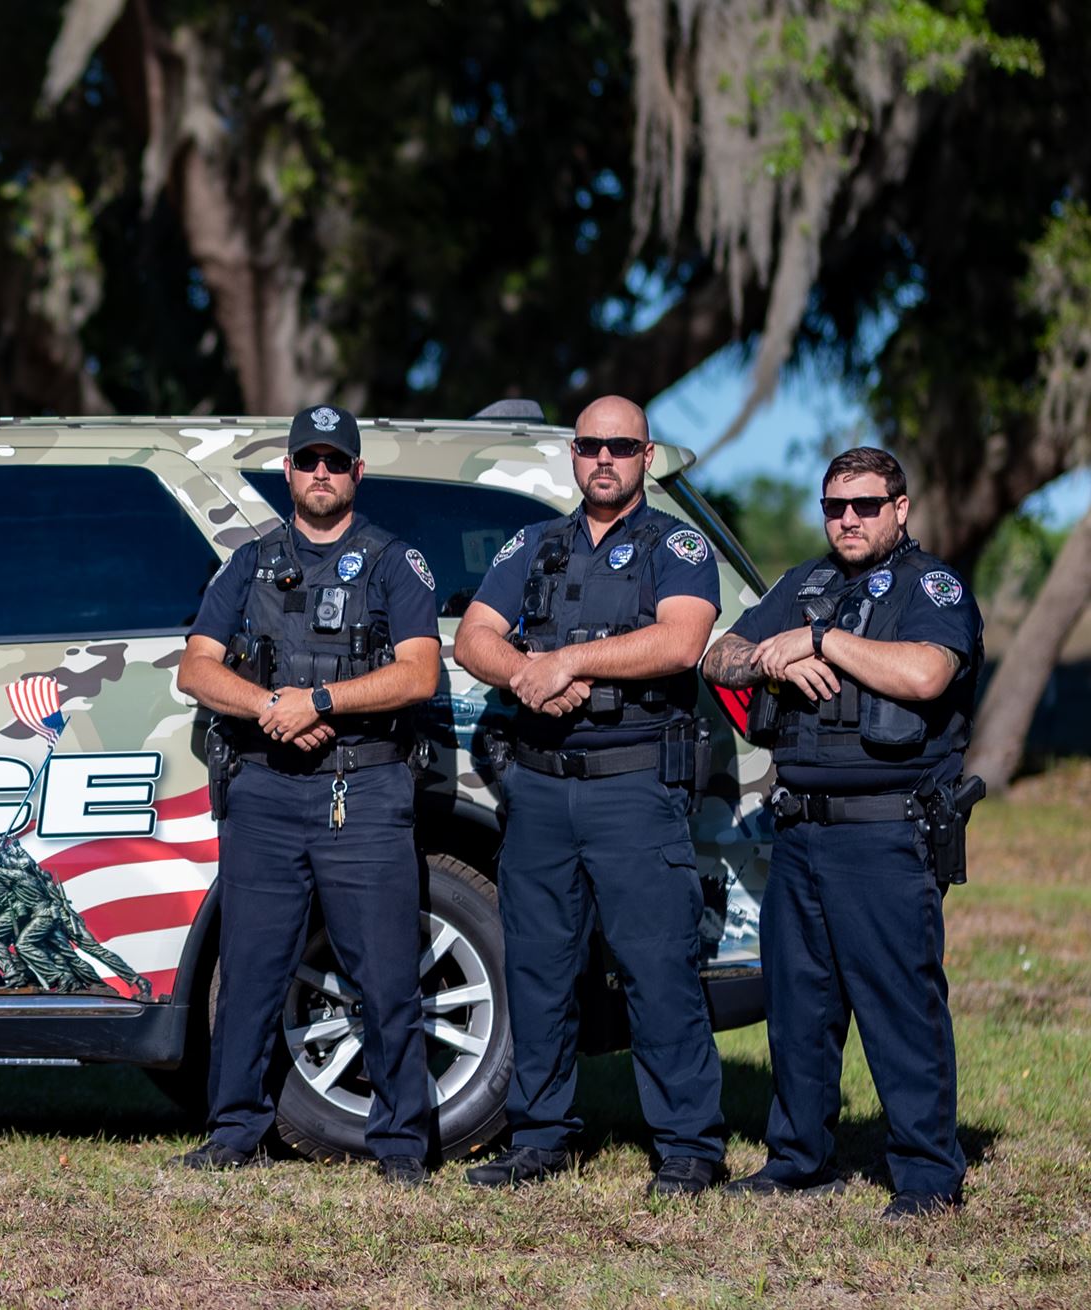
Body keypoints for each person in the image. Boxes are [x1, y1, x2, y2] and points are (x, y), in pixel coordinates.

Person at [451, 396, 728, 1195]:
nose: (605, 458)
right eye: (591, 445)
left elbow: (681, 640)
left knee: (658, 968)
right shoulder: (533, 544)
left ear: (647, 456)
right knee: (538, 970)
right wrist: (524, 674)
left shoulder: (676, 545)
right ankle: (540, 1137)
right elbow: (474, 637)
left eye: (622, 446)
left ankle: (688, 1146)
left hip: (632, 787)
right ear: (573, 455)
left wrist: (570, 662)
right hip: (539, 787)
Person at [701, 446, 981, 1219]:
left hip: (886, 834)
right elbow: (717, 656)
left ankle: (927, 1176)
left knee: (900, 1007)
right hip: (799, 830)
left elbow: (926, 673)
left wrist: (821, 642)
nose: (848, 519)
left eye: (865, 505)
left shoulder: (930, 586)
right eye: (834, 507)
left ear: (901, 508)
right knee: (800, 1008)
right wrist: (770, 660)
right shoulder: (805, 583)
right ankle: (799, 1161)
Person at [168, 405, 442, 1185]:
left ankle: (402, 1145)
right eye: (308, 460)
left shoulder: (395, 562)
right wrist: (270, 707)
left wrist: (319, 703)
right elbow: (195, 667)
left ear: (358, 472)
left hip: (364, 789)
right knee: (250, 972)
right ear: (287, 471)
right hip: (265, 791)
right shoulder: (250, 563)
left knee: (385, 976)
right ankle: (234, 1132)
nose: (322, 472)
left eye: (336, 461)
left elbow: (420, 673)